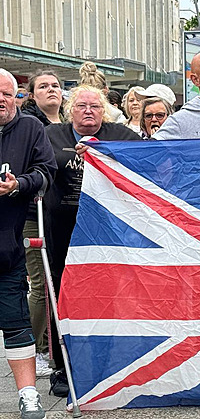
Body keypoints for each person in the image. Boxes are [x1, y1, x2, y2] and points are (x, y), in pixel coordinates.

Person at [45, 85, 141, 397]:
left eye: (95, 107)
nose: (89, 111)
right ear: (69, 110)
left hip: (107, 229)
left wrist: (105, 153)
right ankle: (62, 365)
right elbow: (39, 168)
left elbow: (144, 162)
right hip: (62, 228)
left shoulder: (121, 136)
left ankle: (107, 360)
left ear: (105, 111)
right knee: (61, 292)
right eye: (82, 106)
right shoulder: (52, 136)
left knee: (108, 292)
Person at [0, 68, 56, 419]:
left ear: (17, 96)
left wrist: (19, 184)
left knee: (16, 321)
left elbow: (46, 172)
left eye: (6, 93)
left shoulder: (31, 128)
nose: (1, 100)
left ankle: (29, 395)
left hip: (6, 245)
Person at [20, 70, 65, 375]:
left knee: (60, 283)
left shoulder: (69, 125)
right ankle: (35, 348)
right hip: (33, 215)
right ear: (33, 95)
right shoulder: (29, 127)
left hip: (62, 215)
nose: (51, 90)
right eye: (44, 86)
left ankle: (56, 342)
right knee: (41, 284)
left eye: (56, 85)